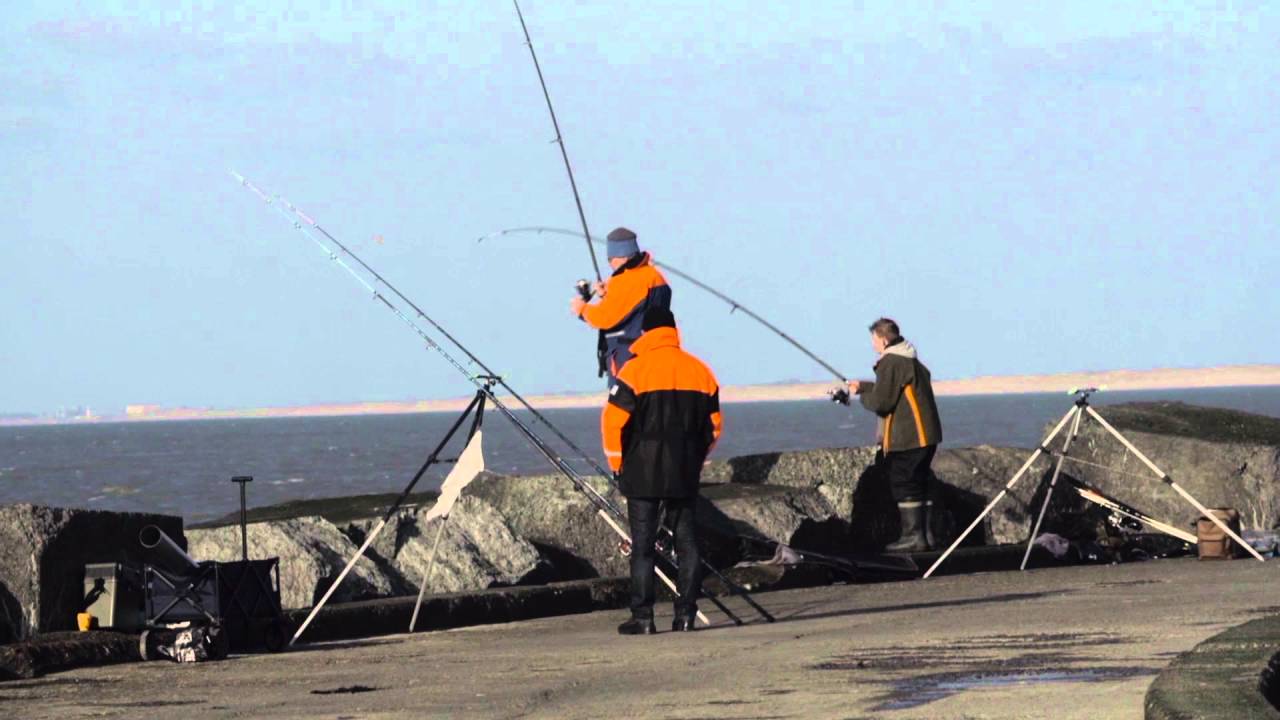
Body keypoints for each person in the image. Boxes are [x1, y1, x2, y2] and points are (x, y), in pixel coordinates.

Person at [601, 307, 721, 634]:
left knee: (642, 546)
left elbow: (613, 423)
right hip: (684, 471)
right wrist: (696, 457)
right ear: (673, 331)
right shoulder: (701, 371)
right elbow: (714, 426)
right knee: (687, 542)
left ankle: (643, 617)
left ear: (646, 333)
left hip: (641, 471)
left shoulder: (633, 371)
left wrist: (616, 464)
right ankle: (685, 614)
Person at [847, 318, 943, 553]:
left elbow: (883, 402)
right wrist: (865, 387)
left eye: (874, 340)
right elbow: (895, 389)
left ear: (883, 339)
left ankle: (913, 537)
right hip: (926, 435)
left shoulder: (892, 361)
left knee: (904, 481)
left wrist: (862, 396)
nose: (873, 346)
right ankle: (927, 536)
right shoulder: (909, 359)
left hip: (910, 436)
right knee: (920, 481)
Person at [570, 227, 671, 383]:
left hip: (629, 357)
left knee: (626, 404)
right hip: (657, 354)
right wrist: (607, 296)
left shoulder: (628, 280)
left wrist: (581, 309)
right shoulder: (655, 276)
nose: (610, 264)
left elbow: (605, 318)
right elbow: (633, 311)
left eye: (610, 259)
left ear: (618, 257)